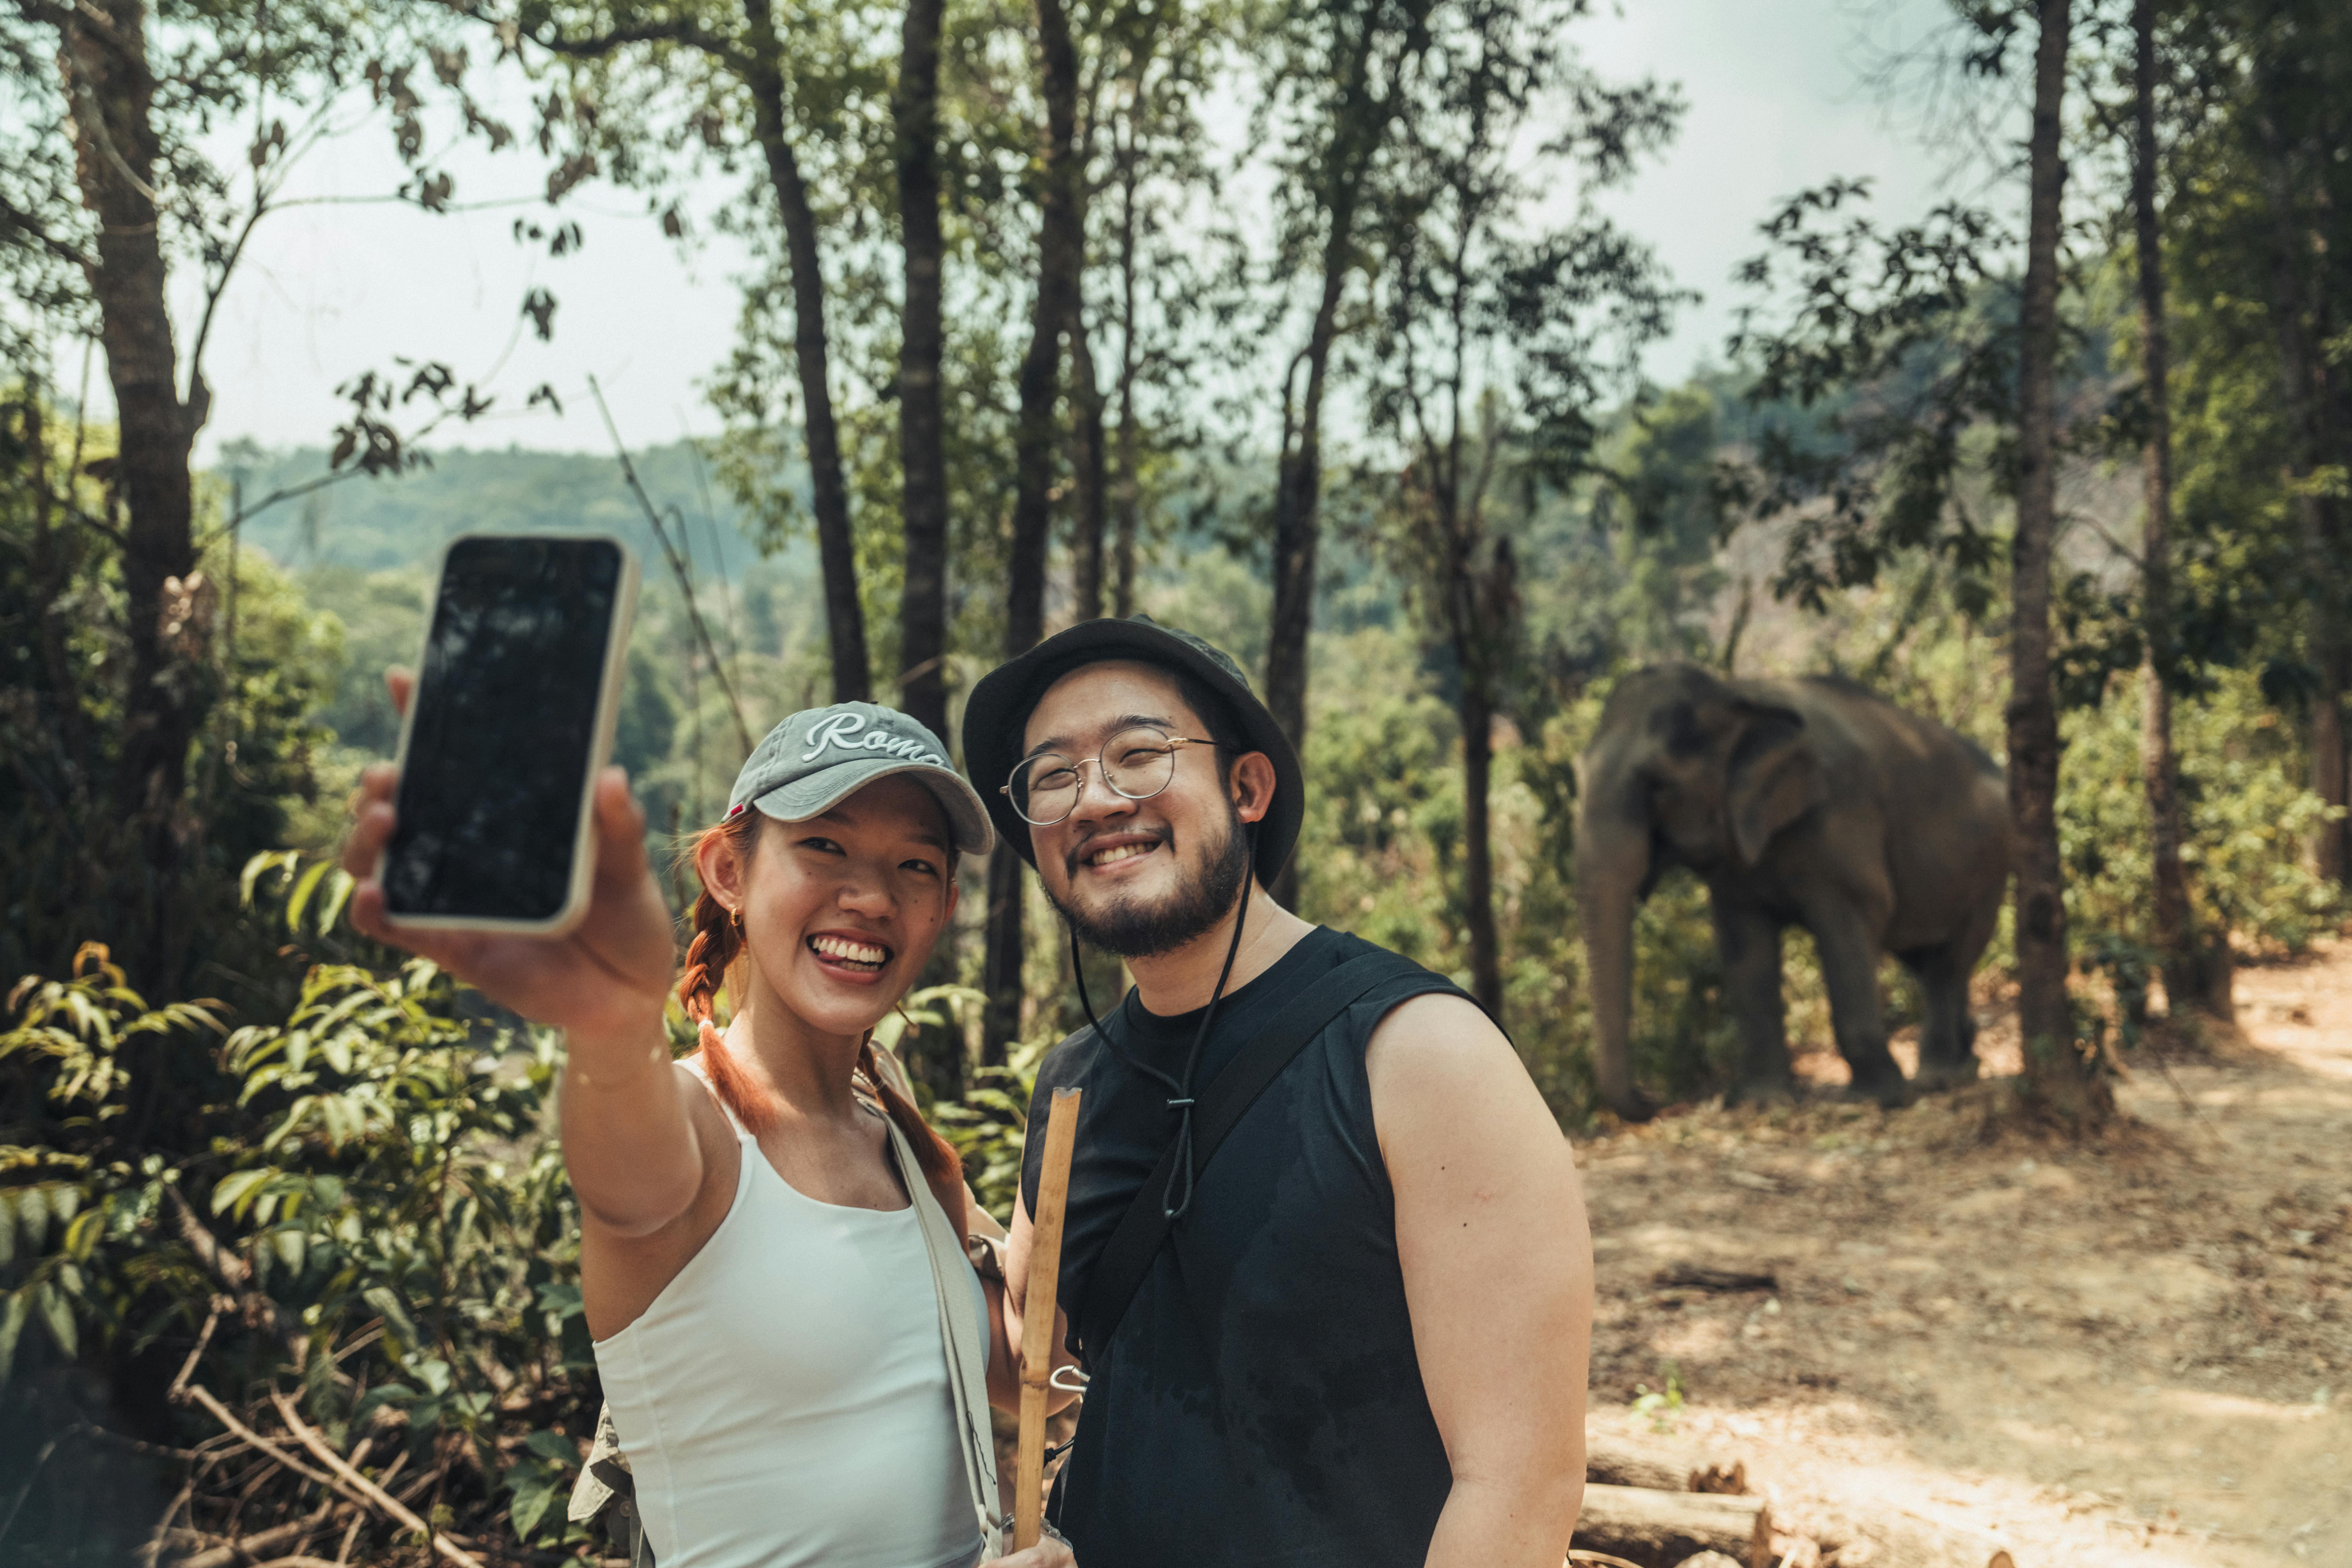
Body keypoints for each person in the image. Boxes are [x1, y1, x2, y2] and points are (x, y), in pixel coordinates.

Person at [343, 689, 1076, 1568]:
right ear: (729, 874)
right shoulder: (697, 1132)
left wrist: (1094, 1095)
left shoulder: (895, 1130)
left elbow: (1015, 1369)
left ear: (944, 905)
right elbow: (627, 1173)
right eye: (824, 845)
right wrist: (608, 1031)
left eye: (915, 866)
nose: (872, 896)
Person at [961, 616, 1595, 1568]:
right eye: (1053, 777)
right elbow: (1033, 1366)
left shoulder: (1416, 1052)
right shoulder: (1071, 1086)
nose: (1095, 799)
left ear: (1247, 787)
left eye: (1140, 755)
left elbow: (1520, 1483)